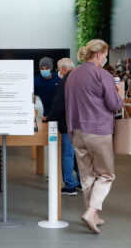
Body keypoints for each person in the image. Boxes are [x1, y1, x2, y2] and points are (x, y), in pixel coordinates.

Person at [65, 39, 123, 233]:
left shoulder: (72, 75)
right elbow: (114, 105)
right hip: (98, 131)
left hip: (77, 131)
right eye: (105, 54)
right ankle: (91, 211)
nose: (106, 58)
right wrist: (119, 93)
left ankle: (94, 216)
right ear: (99, 54)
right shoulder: (102, 75)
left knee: (87, 175)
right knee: (106, 175)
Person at [47, 58, 81, 195]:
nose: (58, 71)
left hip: (68, 124)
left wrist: (50, 118)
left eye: (58, 68)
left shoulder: (64, 82)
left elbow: (59, 103)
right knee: (78, 155)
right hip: (81, 124)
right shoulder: (79, 79)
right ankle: (81, 182)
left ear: (63, 69)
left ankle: (70, 185)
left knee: (67, 155)